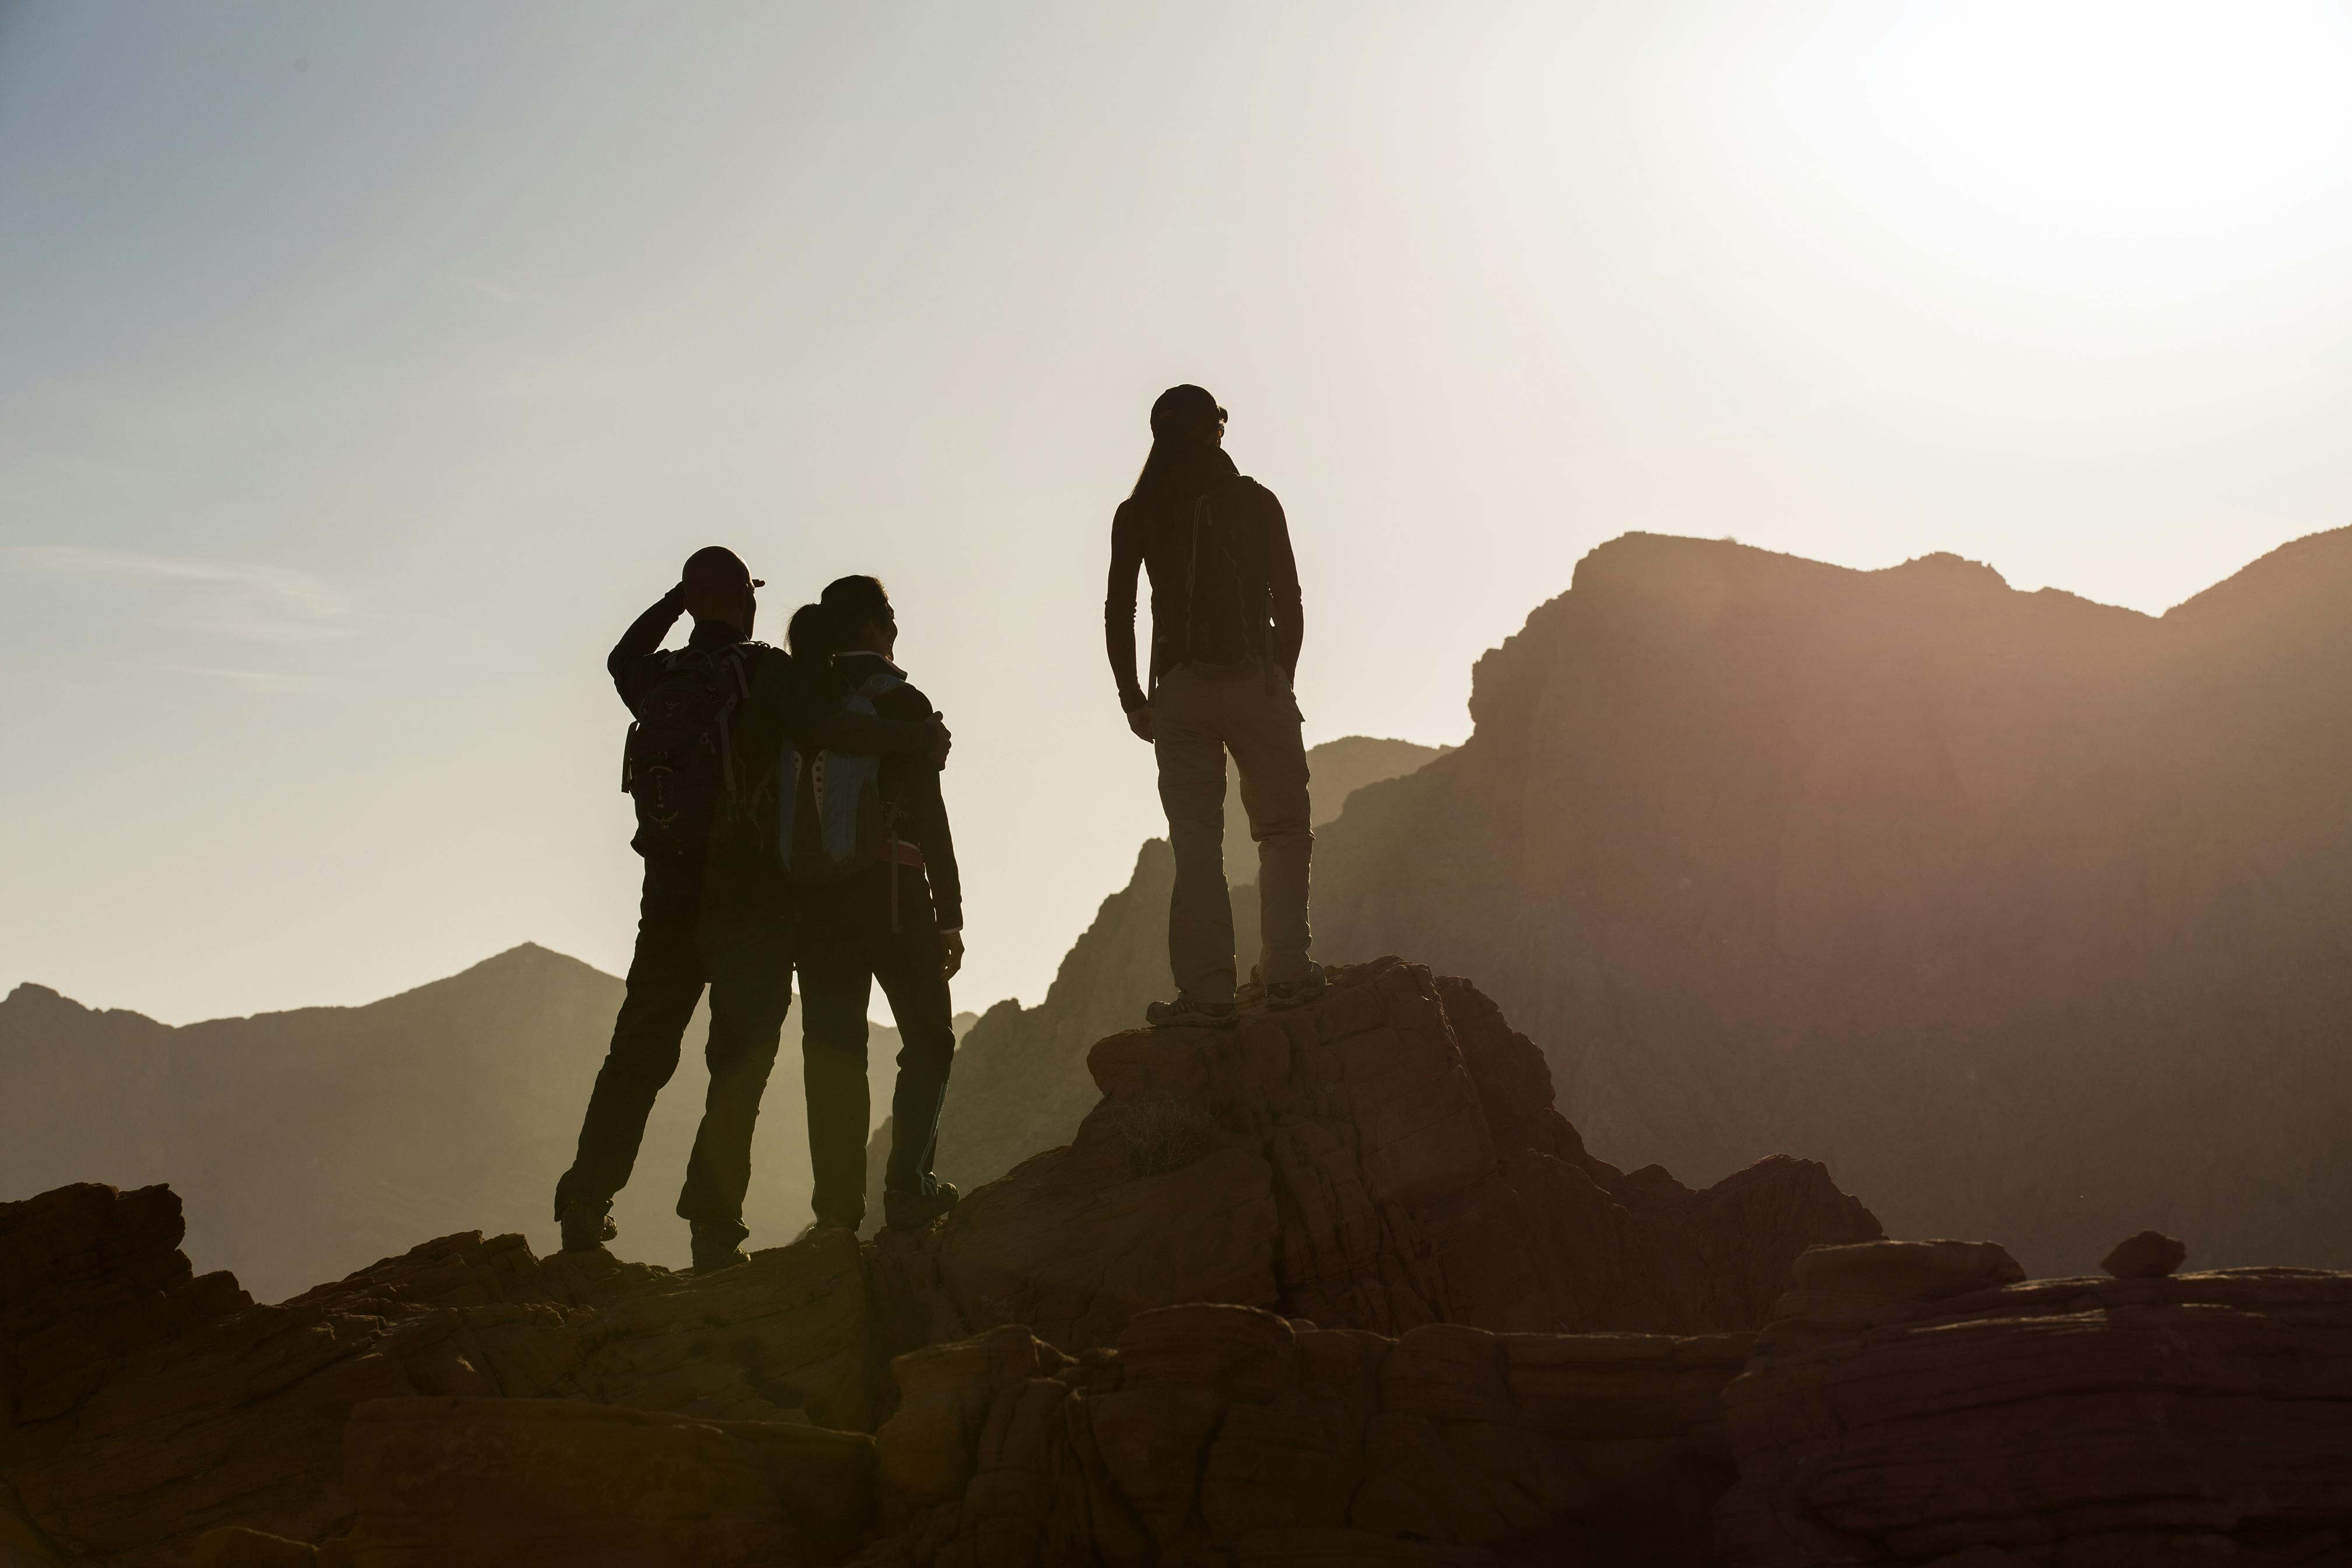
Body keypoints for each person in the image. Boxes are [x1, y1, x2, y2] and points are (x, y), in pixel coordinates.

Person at [553, 547, 947, 1273]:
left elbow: (619, 656)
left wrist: (680, 600)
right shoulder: (765, 671)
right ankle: (712, 1229)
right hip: (749, 898)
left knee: (638, 1053)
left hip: (666, 893)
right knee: (739, 1063)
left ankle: (584, 1202)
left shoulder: (658, 677)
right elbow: (833, 730)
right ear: (745, 598)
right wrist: (916, 738)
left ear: (692, 600)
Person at [1106, 384, 1321, 1029]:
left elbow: (1121, 611)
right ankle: (1287, 973)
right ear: (1214, 432)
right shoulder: (1256, 500)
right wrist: (1278, 676)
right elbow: (1290, 599)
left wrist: (1133, 700)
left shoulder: (1139, 510)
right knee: (1282, 830)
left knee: (1197, 840)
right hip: (1256, 679)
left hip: (1181, 691)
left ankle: (1207, 992)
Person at [785, 575, 965, 1234]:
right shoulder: (902, 703)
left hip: (815, 900)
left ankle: (836, 1213)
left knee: (832, 1051)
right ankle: (908, 1190)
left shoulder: (801, 699)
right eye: (890, 618)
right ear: (871, 629)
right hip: (892, 894)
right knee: (928, 1040)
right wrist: (949, 911)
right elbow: (930, 814)